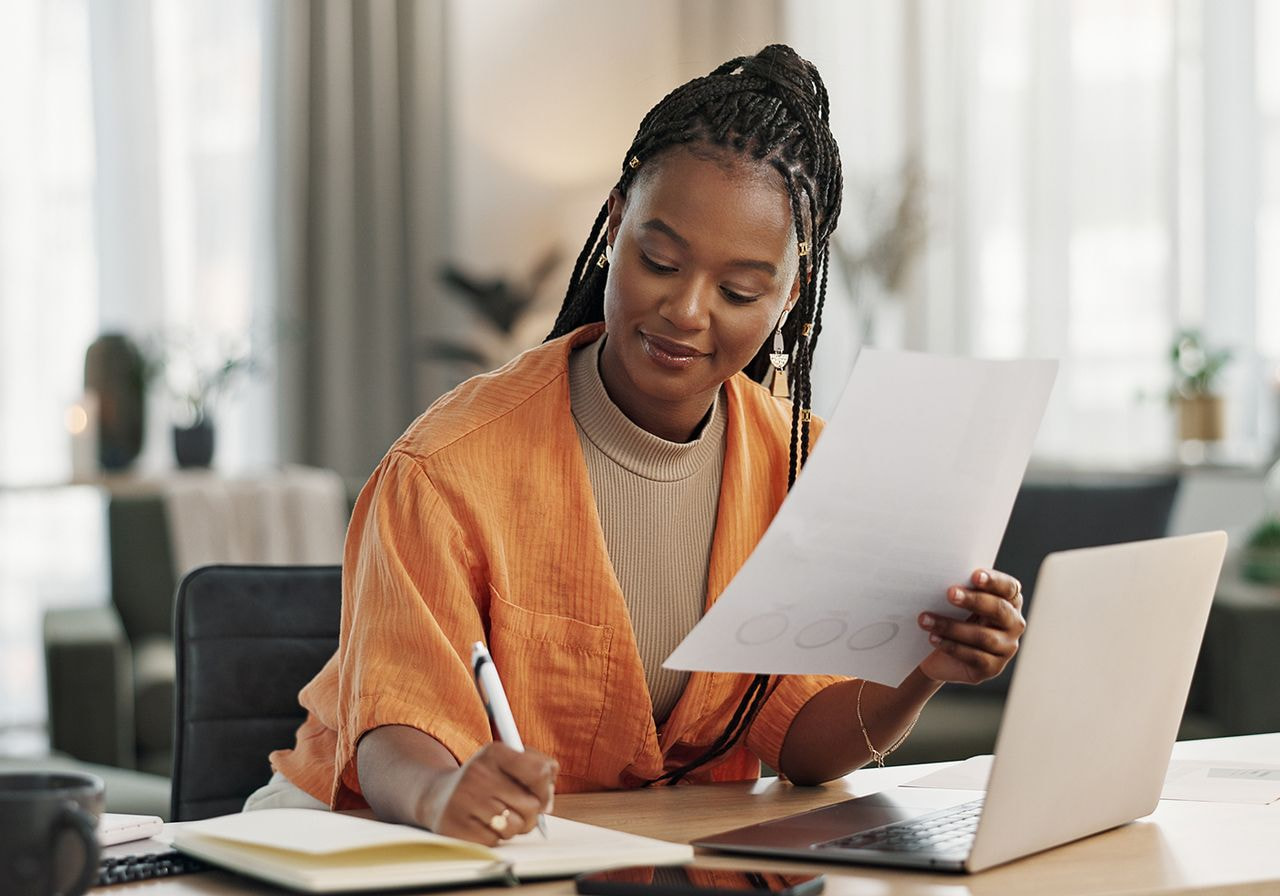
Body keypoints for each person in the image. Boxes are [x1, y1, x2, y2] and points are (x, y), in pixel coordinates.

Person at [250, 44, 1025, 846]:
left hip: (622, 850)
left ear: (789, 297)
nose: (687, 312)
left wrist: (923, 669)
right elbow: (392, 735)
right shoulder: (446, 468)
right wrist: (447, 792)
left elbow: (804, 748)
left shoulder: (803, 472)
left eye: (738, 291)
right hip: (372, 838)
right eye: (660, 261)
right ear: (616, 223)